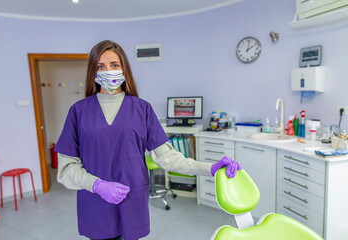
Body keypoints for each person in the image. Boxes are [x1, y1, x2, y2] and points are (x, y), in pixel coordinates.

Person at [55, 40, 242, 240]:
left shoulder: (142, 109)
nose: (108, 71)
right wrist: (97, 185)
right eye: (101, 66)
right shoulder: (79, 111)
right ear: (93, 72)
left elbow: (167, 158)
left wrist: (210, 168)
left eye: (114, 65)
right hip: (95, 203)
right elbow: (66, 169)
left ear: (124, 69)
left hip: (131, 200)